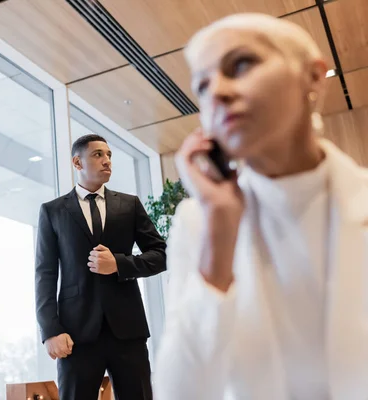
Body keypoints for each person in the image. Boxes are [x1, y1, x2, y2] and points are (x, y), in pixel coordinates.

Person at [154, 13, 368, 400]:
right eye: (202, 86)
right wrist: (218, 240)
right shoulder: (197, 222)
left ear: (313, 77)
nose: (216, 91)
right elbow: (181, 393)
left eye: (241, 64)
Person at [35, 134, 166, 400]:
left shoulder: (129, 205)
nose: (107, 161)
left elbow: (160, 255)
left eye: (109, 155)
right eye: (98, 155)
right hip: (75, 334)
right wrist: (50, 330)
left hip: (128, 331)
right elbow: (45, 274)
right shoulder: (53, 211)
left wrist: (118, 263)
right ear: (77, 162)